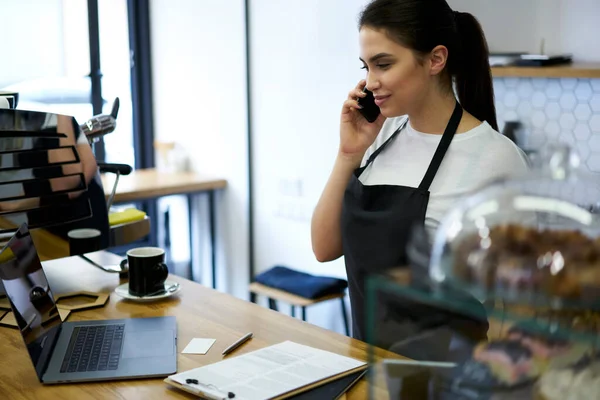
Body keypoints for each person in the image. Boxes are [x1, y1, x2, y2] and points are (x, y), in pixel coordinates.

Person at [311, 0, 529, 351]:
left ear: (435, 60)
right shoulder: (379, 134)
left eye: (383, 64)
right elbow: (324, 248)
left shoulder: (497, 160)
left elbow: (523, 305)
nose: (370, 82)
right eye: (366, 66)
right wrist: (347, 154)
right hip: (369, 370)